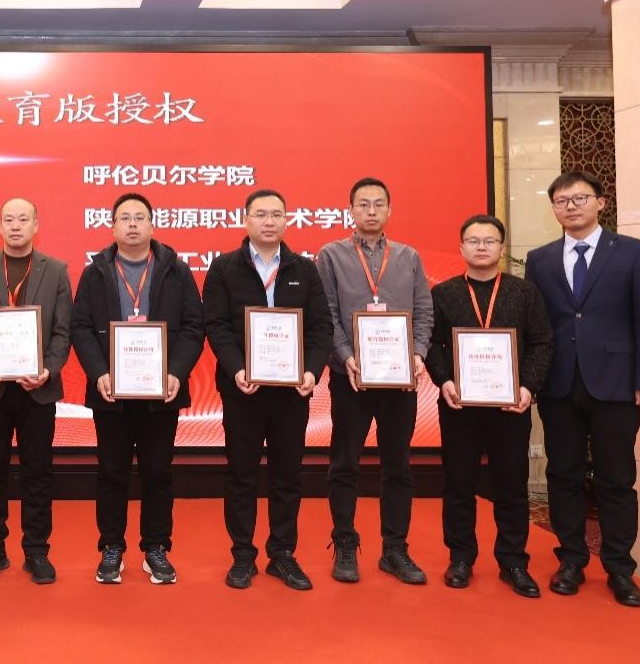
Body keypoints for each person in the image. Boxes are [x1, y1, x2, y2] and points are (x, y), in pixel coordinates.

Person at [525, 170, 640, 607]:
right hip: (559, 383)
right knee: (562, 473)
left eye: (579, 198)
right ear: (553, 208)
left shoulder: (635, 253)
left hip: (617, 383)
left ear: (600, 203)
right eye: (561, 201)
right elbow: (536, 326)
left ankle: (620, 568)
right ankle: (571, 559)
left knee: (616, 477)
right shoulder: (540, 259)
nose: (571, 206)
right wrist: (531, 378)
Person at [70, 192, 204, 585]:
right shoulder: (95, 272)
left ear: (152, 224)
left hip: (161, 394)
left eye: (139, 217)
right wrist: (98, 372)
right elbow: (80, 327)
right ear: (112, 226)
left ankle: (156, 547)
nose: (132, 224)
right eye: (124, 217)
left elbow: (194, 326)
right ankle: (111, 547)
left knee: (158, 472)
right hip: (111, 392)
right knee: (111, 472)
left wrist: (176, 371)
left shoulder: (176, 270)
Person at [203, 188, 332, 591]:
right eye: (260, 214)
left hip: (291, 394)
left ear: (287, 220)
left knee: (287, 476)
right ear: (246, 220)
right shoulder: (224, 268)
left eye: (277, 214)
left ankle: (282, 554)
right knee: (241, 474)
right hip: (243, 390)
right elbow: (216, 325)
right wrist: (237, 369)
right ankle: (243, 554)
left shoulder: (304, 268)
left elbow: (321, 327)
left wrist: (311, 371)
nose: (269, 221)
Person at [424, 215, 552, 597]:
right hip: (459, 407)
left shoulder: (524, 293)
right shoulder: (444, 293)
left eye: (489, 241)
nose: (481, 247)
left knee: (511, 486)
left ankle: (513, 561)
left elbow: (542, 342)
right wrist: (444, 380)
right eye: (474, 240)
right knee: (458, 484)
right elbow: (431, 343)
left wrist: (528, 387)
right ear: (461, 247)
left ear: (501, 247)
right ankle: (461, 557)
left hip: (510, 408)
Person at [316, 176, 433, 585]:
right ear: (350, 210)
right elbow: (326, 313)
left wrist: (418, 353)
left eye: (378, 204)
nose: (370, 210)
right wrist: (346, 356)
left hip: (399, 380)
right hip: (350, 377)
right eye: (362, 204)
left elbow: (423, 310)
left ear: (389, 210)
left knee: (398, 465)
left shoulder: (408, 257)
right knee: (344, 463)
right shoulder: (330, 255)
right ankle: (345, 543)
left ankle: (394, 549)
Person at [0, 198, 72, 584]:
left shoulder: (56, 270)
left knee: (37, 472)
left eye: (24, 219)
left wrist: (48, 370)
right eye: (9, 219)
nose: (16, 226)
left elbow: (63, 330)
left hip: (37, 389)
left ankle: (37, 550)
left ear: (36, 224)